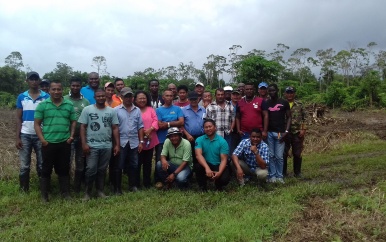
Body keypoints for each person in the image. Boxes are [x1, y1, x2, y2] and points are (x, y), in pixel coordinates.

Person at [34, 81, 77, 202]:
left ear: (62, 90)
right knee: (46, 169)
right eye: (54, 89)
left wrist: (71, 136)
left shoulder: (68, 105)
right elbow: (37, 124)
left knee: (64, 168)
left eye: (59, 89)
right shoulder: (43, 105)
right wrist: (43, 140)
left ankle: (65, 193)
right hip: (48, 143)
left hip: (64, 142)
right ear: (49, 90)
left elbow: (73, 121)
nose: (56, 92)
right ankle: (44, 195)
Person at [78, 89, 120, 200]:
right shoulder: (87, 110)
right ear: (95, 97)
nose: (101, 98)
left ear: (106, 97)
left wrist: (117, 145)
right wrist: (84, 144)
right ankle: (87, 193)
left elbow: (115, 128)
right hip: (92, 145)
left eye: (103, 96)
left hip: (106, 145)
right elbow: (82, 127)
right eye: (98, 96)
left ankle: (100, 191)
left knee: (102, 169)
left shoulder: (111, 111)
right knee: (91, 169)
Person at [16, 71, 50, 192]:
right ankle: (23, 189)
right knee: (25, 164)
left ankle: (44, 189)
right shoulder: (22, 97)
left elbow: (48, 117)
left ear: (39, 81)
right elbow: (19, 118)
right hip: (25, 134)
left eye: (36, 79)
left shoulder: (46, 97)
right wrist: (17, 137)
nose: (34, 81)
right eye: (31, 79)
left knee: (42, 163)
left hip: (41, 135)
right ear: (27, 81)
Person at [115, 87, 145, 193]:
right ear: (121, 97)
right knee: (119, 165)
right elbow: (114, 128)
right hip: (121, 141)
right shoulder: (116, 110)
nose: (128, 98)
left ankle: (132, 186)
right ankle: (118, 188)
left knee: (134, 164)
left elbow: (140, 127)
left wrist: (141, 142)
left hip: (134, 141)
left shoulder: (137, 111)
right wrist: (116, 144)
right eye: (126, 96)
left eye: (130, 96)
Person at [64, 77, 90, 193]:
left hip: (82, 137)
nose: (75, 88)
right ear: (70, 86)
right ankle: (66, 187)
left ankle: (77, 188)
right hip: (67, 137)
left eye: (77, 86)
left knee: (80, 164)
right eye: (73, 85)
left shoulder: (86, 102)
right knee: (67, 163)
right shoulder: (64, 99)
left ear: (81, 86)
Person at [262, 84, 291, 184]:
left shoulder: (284, 102)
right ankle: (272, 175)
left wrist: (286, 131)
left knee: (279, 156)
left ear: (277, 90)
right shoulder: (266, 103)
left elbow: (289, 117)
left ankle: (279, 176)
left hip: (280, 133)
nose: (271, 92)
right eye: (270, 91)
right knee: (271, 156)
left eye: (273, 90)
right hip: (269, 133)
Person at [155, 90, 184, 182]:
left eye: (171, 96)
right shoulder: (158, 110)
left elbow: (181, 122)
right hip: (162, 139)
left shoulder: (177, 109)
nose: (169, 97)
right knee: (160, 160)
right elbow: (160, 125)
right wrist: (174, 123)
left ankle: (174, 178)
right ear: (163, 97)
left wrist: (167, 124)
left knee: (174, 160)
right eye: (167, 96)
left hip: (176, 140)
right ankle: (160, 180)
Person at [195, 119, 230, 191]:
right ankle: (203, 187)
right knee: (198, 166)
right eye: (206, 127)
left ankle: (218, 185)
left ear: (215, 127)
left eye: (210, 126)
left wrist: (219, 173)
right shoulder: (199, 140)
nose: (208, 129)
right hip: (206, 164)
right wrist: (207, 168)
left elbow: (224, 160)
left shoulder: (222, 141)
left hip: (218, 165)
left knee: (224, 179)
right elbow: (198, 155)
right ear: (204, 129)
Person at [134, 90, 159, 189]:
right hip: (137, 140)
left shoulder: (151, 109)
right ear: (135, 100)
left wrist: (150, 129)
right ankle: (136, 183)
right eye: (140, 98)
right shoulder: (134, 110)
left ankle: (147, 183)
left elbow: (156, 120)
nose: (142, 100)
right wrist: (143, 132)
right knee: (137, 163)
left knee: (148, 163)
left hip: (150, 140)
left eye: (144, 98)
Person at [283, 86, 306, 178]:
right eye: (287, 92)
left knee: (297, 153)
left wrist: (303, 129)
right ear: (285, 94)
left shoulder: (299, 104)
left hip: (297, 132)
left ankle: (297, 172)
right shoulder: (282, 104)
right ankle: (283, 173)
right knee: (283, 153)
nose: (289, 94)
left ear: (294, 94)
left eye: (291, 92)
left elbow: (306, 118)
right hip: (285, 133)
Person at [182, 92, 206, 166]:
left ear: (198, 99)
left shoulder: (203, 110)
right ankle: (189, 172)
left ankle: (199, 172)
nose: (193, 101)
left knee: (200, 155)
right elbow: (181, 125)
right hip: (189, 137)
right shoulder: (184, 110)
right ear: (189, 99)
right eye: (191, 99)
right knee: (189, 155)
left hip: (201, 137)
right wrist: (187, 135)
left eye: (195, 99)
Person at [229, 89, 241, 155]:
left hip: (241, 131)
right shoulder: (227, 105)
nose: (235, 96)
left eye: (237, 95)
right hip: (231, 131)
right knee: (231, 149)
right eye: (234, 95)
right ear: (231, 96)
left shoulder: (242, 105)